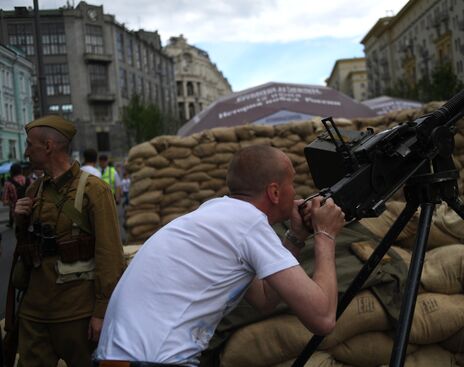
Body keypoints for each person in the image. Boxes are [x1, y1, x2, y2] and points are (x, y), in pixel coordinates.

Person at [95, 145, 346, 365]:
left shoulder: (217, 216)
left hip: (119, 358)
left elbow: (265, 299)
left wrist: (296, 236)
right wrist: (325, 234)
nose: (296, 192)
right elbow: (322, 319)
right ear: (275, 192)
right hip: (153, 360)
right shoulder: (249, 223)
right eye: (292, 183)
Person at [12, 115, 125, 366]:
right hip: (35, 311)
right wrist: (20, 221)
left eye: (31, 145)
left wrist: (101, 311)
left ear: (49, 147)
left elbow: (110, 254)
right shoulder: (34, 190)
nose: (26, 151)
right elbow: (27, 247)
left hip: (76, 313)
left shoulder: (94, 190)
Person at [2, 163, 30, 228]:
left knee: (20, 231)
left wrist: (12, 203)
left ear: (11, 171)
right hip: (29, 208)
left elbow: (5, 201)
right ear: (21, 170)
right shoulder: (28, 180)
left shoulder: (8, 183)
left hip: (17, 211)